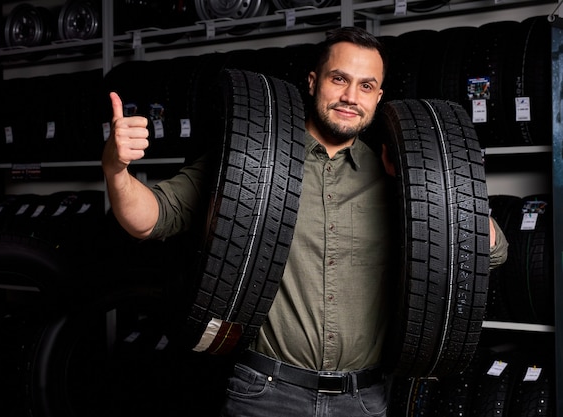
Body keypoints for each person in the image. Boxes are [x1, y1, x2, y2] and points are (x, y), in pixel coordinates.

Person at [102, 26, 508, 417]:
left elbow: (490, 254)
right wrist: (116, 169)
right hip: (264, 393)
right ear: (313, 82)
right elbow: (149, 218)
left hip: (362, 400)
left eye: (366, 86)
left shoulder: (397, 179)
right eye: (339, 79)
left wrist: (440, 185)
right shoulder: (252, 158)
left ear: (379, 97)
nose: (351, 96)